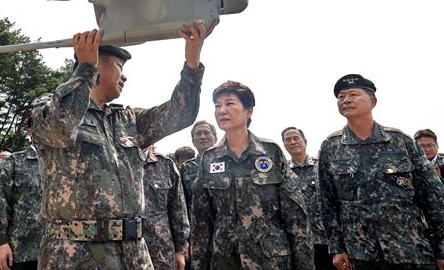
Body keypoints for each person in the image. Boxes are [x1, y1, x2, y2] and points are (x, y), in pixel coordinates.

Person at [30, 22, 214, 269]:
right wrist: (85, 67)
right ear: (96, 65)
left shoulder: (129, 120)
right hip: (74, 254)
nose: (124, 76)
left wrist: (192, 61)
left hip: (132, 252)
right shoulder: (49, 106)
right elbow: (60, 126)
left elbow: (180, 114)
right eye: (119, 66)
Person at [318, 73, 444, 270]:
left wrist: (442, 247)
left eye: (353, 94)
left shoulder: (401, 141)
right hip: (362, 255)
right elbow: (327, 203)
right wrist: (336, 247)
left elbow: (433, 196)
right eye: (341, 97)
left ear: (373, 101)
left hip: (411, 249)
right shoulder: (330, 147)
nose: (346, 100)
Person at [190, 80, 312, 269]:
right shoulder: (209, 159)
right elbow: (201, 223)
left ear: (248, 111)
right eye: (217, 105)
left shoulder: (270, 153)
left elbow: (295, 218)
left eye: (229, 103)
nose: (222, 110)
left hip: (271, 261)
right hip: (226, 260)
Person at [282, 126, 331, 270]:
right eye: (288, 140)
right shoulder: (282, 172)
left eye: (296, 138)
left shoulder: (321, 165)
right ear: (284, 146)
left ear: (305, 141)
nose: (292, 142)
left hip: (325, 238)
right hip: (298, 241)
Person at [0, 132, 43, 270]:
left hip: (57, 251)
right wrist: (2, 243)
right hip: (22, 250)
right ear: (31, 131)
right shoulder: (14, 161)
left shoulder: (62, 162)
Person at [143, 144, 189, 270]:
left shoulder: (165, 164)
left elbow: (178, 209)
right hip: (121, 253)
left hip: (160, 252)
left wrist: (180, 250)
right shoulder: (112, 161)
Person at [179, 120, 218, 214]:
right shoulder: (185, 168)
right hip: (196, 225)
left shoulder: (227, 163)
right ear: (193, 141)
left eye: (207, 133)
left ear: (215, 139)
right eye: (198, 134)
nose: (203, 137)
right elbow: (180, 203)